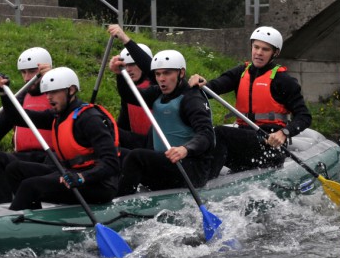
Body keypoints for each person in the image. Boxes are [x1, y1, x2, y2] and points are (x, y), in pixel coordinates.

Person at [0, 67, 121, 211]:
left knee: (30, 185)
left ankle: (16, 219)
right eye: (47, 93)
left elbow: (112, 163)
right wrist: (4, 94)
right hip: (70, 174)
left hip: (98, 184)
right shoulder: (57, 116)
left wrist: (82, 177)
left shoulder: (90, 119)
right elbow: (17, 117)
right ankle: (32, 215)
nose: (48, 97)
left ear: (71, 90)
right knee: (14, 169)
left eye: (54, 92)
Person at [189, 26, 312, 177]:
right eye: (256, 47)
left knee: (220, 133)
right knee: (208, 136)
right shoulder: (241, 72)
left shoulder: (284, 80)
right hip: (245, 142)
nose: (259, 53)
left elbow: (304, 116)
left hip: (269, 146)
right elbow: (214, 87)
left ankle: (204, 182)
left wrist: (284, 133)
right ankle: (197, 175)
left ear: (275, 53)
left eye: (265, 49)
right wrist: (200, 85)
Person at [115, 50, 215, 196]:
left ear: (181, 73)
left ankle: (119, 203)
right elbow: (130, 96)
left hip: (191, 170)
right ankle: (107, 191)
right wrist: (120, 75)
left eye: (167, 73)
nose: (161, 79)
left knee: (136, 157)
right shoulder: (158, 93)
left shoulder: (192, 99)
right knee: (116, 153)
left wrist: (185, 149)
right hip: (167, 163)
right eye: (158, 74)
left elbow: (206, 134)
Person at [0, 47, 53, 203]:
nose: (26, 78)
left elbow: (19, 117)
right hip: (24, 158)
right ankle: (3, 207)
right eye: (23, 72)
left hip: (50, 159)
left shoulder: (58, 96)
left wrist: (53, 77)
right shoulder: (20, 100)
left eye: (31, 72)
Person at [106, 24, 154, 150]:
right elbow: (123, 125)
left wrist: (124, 38)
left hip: (156, 143)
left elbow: (150, 68)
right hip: (138, 142)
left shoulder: (158, 86)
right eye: (126, 66)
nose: (129, 69)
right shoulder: (128, 92)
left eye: (133, 64)